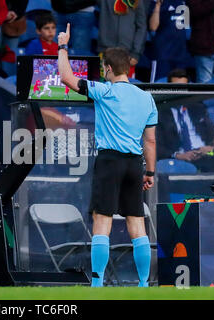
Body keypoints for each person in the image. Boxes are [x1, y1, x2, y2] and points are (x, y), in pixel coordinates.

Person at [58, 24, 158, 287]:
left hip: (110, 161)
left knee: (102, 221)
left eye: (104, 68)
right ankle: (144, 284)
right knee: (137, 223)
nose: (103, 72)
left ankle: (97, 282)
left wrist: (62, 46)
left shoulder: (105, 91)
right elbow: (150, 140)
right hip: (135, 164)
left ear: (109, 69)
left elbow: (67, 78)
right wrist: (149, 172)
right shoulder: (146, 98)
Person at [156, 69, 214, 161]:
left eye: (183, 87)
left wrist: (212, 147)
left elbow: (212, 133)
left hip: (204, 155)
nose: (180, 91)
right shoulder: (160, 112)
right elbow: (156, 146)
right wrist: (178, 155)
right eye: (176, 88)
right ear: (168, 89)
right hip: (179, 160)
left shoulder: (198, 107)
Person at [95, 0, 147, 78]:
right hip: (105, 51)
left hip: (127, 55)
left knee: (125, 85)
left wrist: (136, 53)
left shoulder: (137, 1)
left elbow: (141, 27)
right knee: (103, 85)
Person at [148, 0, 190, 81]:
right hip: (162, 54)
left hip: (180, 54)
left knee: (180, 88)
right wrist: (157, 6)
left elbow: (186, 29)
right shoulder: (157, 3)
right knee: (158, 87)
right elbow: (153, 27)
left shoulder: (183, 3)